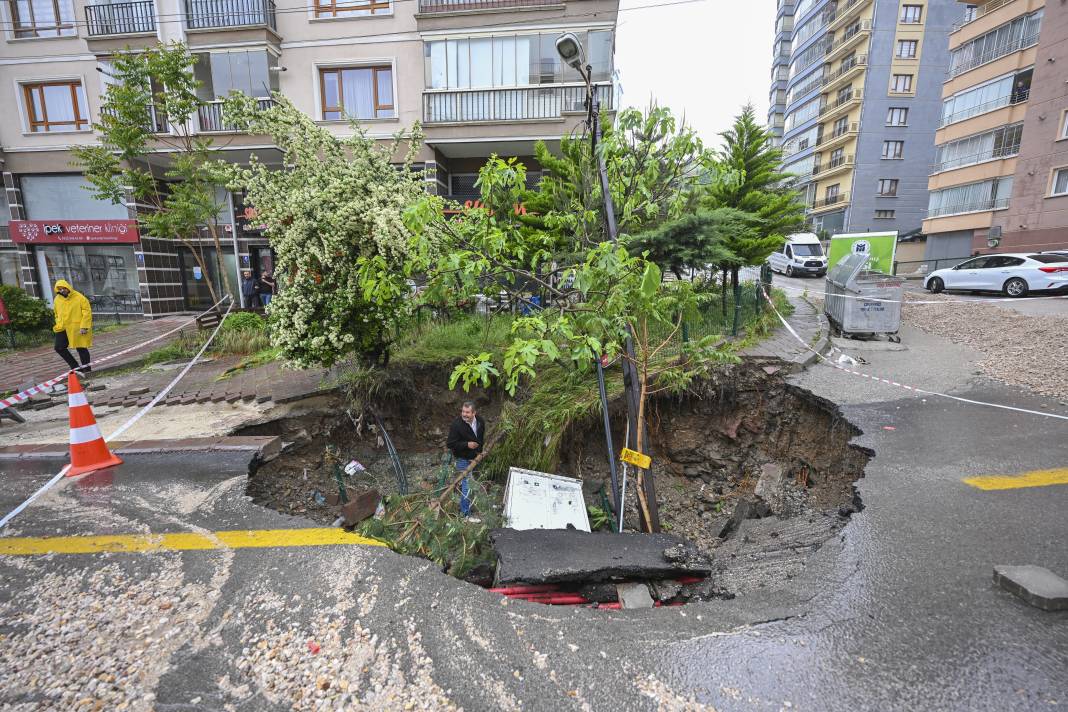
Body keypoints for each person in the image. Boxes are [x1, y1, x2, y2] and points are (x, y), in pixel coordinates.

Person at [446, 400, 486, 516]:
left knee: (470, 483)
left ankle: (467, 506)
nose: (464, 414)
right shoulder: (456, 425)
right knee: (467, 485)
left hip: (475, 458)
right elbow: (450, 444)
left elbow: (481, 438)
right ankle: (465, 513)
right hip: (462, 458)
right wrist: (466, 444)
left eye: (467, 412)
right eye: (463, 411)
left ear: (474, 413)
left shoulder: (480, 422)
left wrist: (480, 453)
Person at [52, 279, 93, 374]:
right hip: (62, 327)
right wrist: (58, 322)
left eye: (64, 288)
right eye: (60, 289)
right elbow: (56, 313)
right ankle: (75, 368)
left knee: (81, 347)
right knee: (59, 347)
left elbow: (87, 312)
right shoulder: (57, 299)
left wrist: (84, 326)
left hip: (77, 327)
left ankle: (87, 370)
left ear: (68, 287)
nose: (62, 290)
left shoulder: (79, 297)